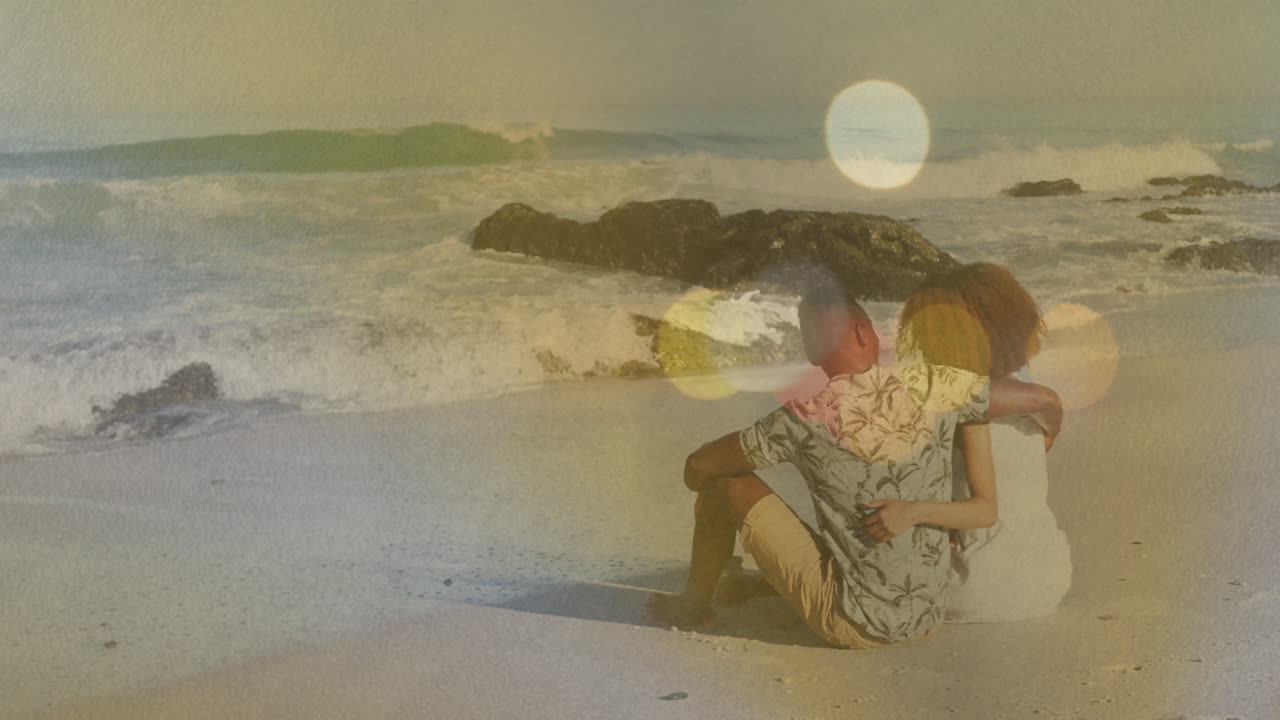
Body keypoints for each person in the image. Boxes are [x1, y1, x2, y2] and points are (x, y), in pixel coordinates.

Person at [646, 277, 1062, 647]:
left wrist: (705, 493)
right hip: (927, 616)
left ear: (810, 351)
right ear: (866, 333)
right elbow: (1017, 397)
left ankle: (693, 606)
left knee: (724, 480)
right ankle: (732, 578)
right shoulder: (939, 384)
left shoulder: (801, 419)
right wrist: (1050, 405)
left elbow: (700, 466)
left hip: (855, 624)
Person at [892, 262, 1072, 622]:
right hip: (1049, 579)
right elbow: (1048, 412)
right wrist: (1048, 408)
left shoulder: (944, 403)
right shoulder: (1026, 394)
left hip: (976, 589)